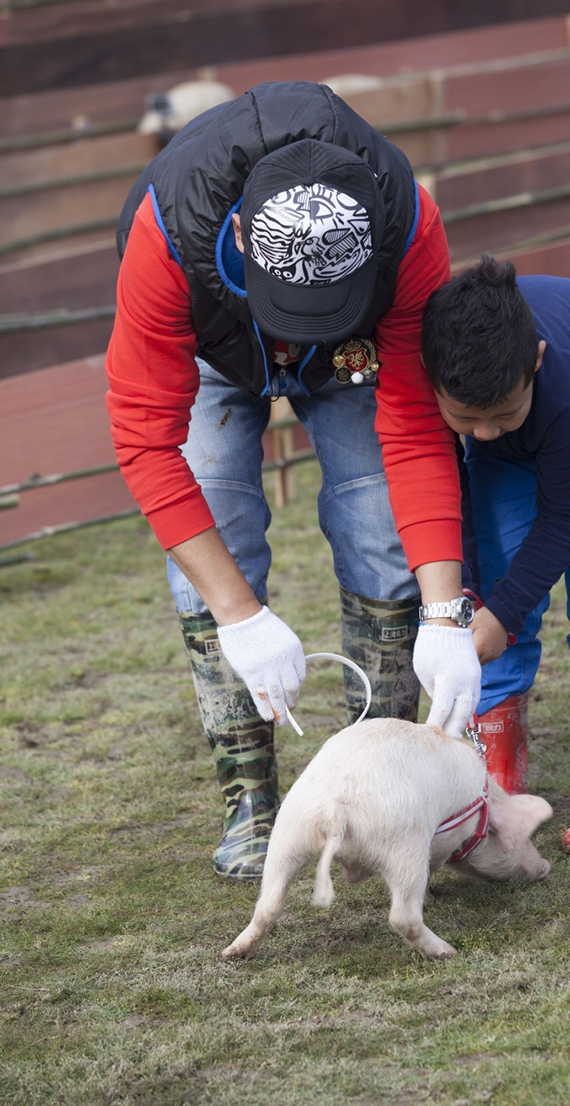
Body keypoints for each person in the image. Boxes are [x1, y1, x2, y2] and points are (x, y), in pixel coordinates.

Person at [106, 81, 482, 881]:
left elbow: (415, 428)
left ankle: (382, 789)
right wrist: (240, 616)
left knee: (380, 526)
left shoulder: (409, 227)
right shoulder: (166, 231)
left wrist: (447, 617)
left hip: (352, 355)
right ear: (241, 236)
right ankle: (251, 797)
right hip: (210, 347)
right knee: (214, 520)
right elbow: (145, 440)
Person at [420, 255, 570, 855]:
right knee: (495, 594)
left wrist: (501, 614)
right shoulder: (453, 387)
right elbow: (455, 505)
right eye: (465, 419)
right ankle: (497, 777)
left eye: (502, 414)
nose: (483, 432)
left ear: (534, 360)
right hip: (527, 439)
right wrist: (483, 602)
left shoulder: (568, 383)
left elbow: (568, 517)